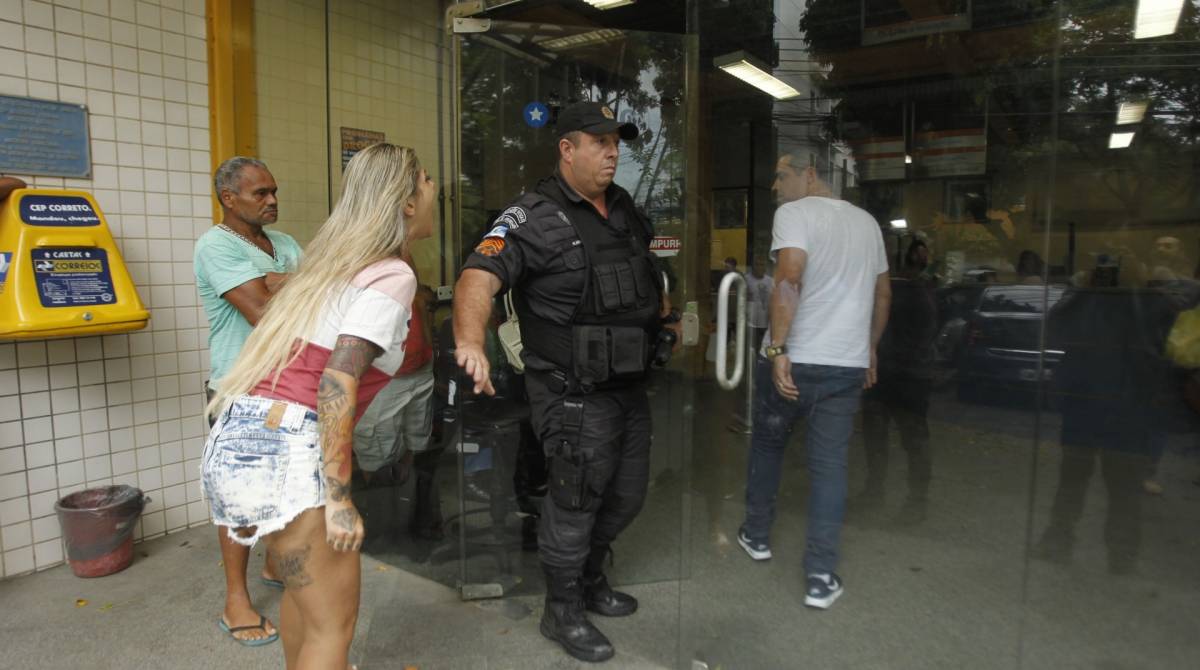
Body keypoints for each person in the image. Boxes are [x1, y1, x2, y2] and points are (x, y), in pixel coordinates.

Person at [453, 101, 681, 663]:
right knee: (574, 502)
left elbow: (643, 274)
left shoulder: (624, 207)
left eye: (617, 143)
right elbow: (477, 276)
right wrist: (469, 343)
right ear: (567, 149)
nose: (612, 152)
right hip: (572, 393)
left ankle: (589, 579)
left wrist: (665, 315)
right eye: (600, 142)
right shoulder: (532, 216)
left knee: (625, 496)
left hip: (628, 386)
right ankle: (562, 610)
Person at [202, 143, 436, 669]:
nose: (432, 189)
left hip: (242, 435)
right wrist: (340, 498)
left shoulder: (334, 267)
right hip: (290, 448)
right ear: (403, 201)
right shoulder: (389, 274)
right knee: (333, 628)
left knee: (304, 604)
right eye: (424, 180)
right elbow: (336, 381)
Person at [737, 151, 891, 610]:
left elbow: (789, 277)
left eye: (781, 175)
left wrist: (779, 348)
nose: (775, 186)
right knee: (829, 467)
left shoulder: (795, 214)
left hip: (797, 359)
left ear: (810, 174)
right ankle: (821, 576)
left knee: (767, 445)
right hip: (845, 364)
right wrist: (870, 347)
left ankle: (757, 535)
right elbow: (883, 293)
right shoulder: (867, 224)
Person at [194, 157, 303, 646]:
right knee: (240, 500)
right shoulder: (214, 246)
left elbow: (323, 294)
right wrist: (283, 286)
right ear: (229, 199)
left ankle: (276, 563)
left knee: (287, 485)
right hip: (241, 389)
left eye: (274, 190)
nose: (272, 200)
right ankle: (235, 599)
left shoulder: (284, 244)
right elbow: (261, 311)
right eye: (260, 193)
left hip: (288, 384)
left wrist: (276, 282)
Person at [744, 256, 773, 350]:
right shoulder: (745, 279)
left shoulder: (770, 281)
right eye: (757, 264)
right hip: (750, 323)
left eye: (762, 265)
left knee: (763, 349)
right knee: (750, 349)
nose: (760, 267)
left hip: (766, 323)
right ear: (753, 266)